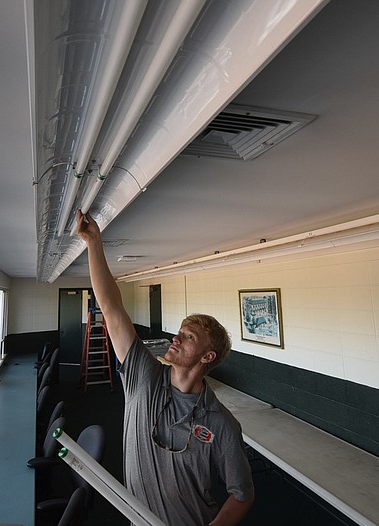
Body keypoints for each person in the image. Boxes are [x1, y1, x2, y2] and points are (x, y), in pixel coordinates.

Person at [75, 210, 255, 526]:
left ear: (207, 357)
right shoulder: (143, 378)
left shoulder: (221, 424)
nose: (176, 338)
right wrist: (93, 244)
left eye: (188, 337)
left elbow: (242, 494)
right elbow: (112, 309)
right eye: (180, 331)